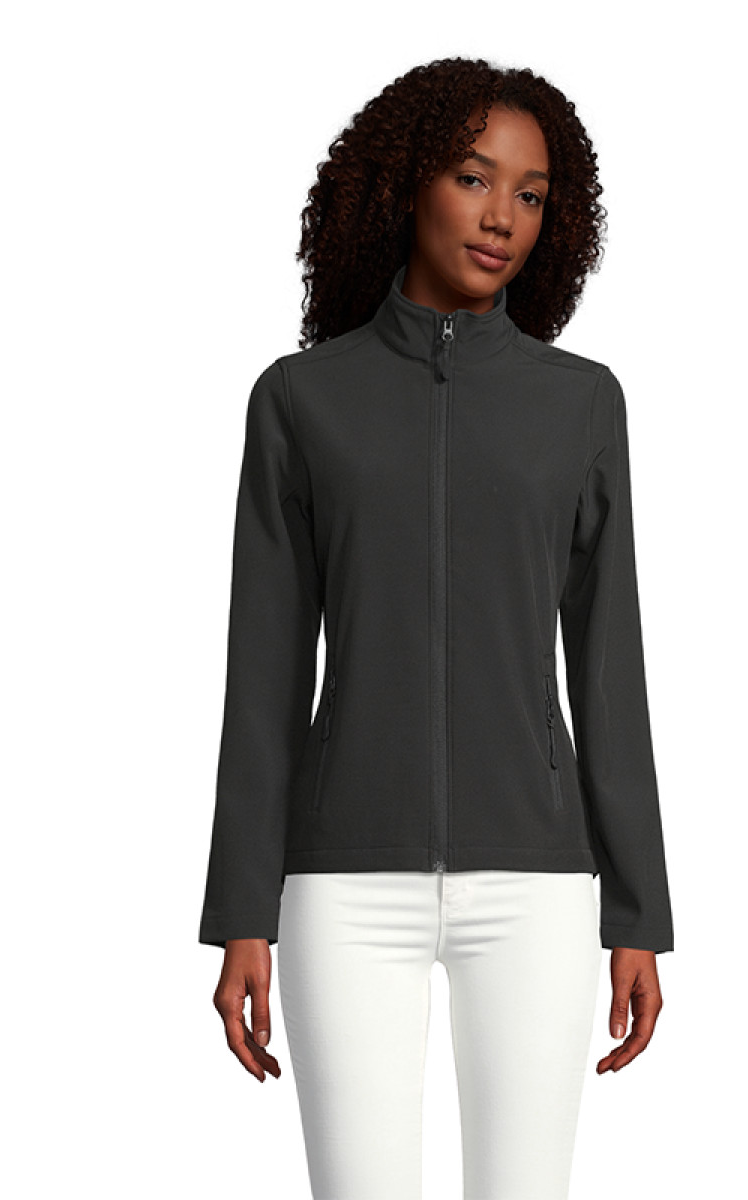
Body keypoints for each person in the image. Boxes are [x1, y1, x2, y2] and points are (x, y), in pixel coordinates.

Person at [199, 56, 675, 1200]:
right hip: (342, 883)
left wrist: (639, 913)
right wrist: (241, 913)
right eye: (474, 178)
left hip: (538, 885)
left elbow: (609, 665)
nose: (502, 216)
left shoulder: (581, 403)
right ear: (407, 182)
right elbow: (264, 672)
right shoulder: (300, 401)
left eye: (531, 194)